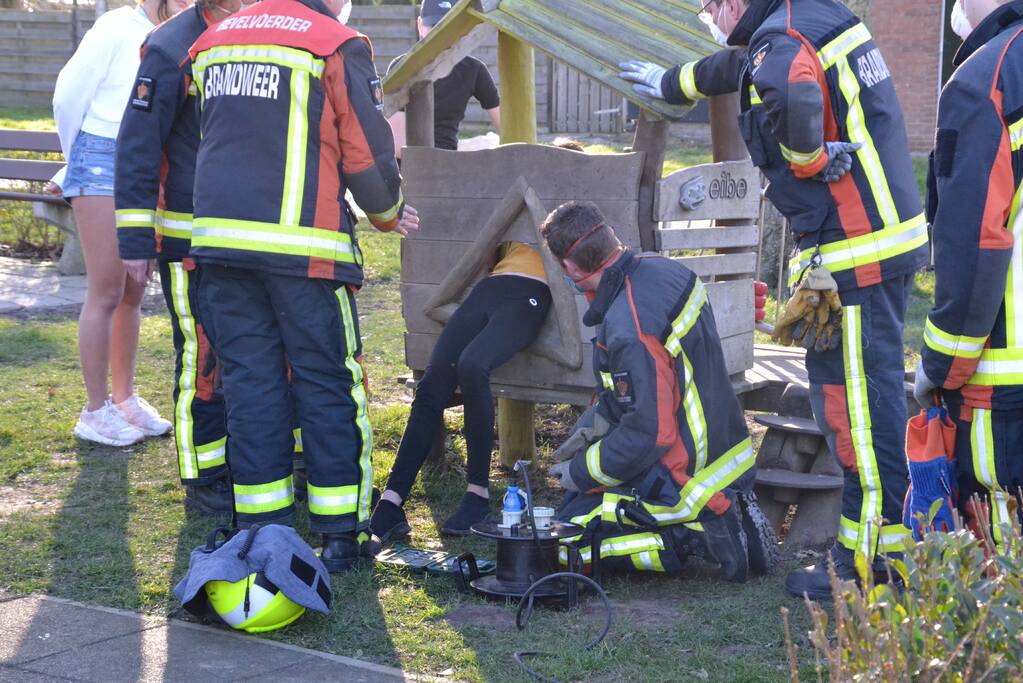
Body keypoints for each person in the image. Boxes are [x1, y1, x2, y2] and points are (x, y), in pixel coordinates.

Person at [620, 0, 928, 599]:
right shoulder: (807, 17)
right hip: (876, 241)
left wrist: (806, 159)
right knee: (855, 398)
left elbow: (787, 88)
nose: (710, 12)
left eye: (712, 2)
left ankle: (868, 565)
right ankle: (874, 545)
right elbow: (736, 65)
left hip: (855, 250)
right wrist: (671, 81)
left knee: (860, 411)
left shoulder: (780, 39)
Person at [188, 0, 418, 573]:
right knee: (327, 382)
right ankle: (342, 536)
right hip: (305, 252)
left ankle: (263, 528)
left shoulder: (213, 41)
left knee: (250, 384)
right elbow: (366, 151)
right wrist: (389, 212)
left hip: (220, 247)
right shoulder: (333, 42)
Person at [539, 201, 775, 582]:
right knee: (575, 503)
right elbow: (654, 386)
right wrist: (595, 424)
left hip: (684, 472)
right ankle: (727, 514)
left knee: (565, 541)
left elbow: (649, 434)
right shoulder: (664, 272)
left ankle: (688, 536)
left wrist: (582, 470)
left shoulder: (628, 326)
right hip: (723, 449)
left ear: (570, 268)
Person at [114, 0, 254, 515]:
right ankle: (205, 475)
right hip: (188, 241)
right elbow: (137, 145)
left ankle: (252, 461)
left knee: (255, 355)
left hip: (249, 234)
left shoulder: (254, 31)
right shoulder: (170, 47)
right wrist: (134, 241)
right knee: (202, 359)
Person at [53, 0, 189, 447]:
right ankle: (95, 411)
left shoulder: (181, 33)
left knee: (134, 290)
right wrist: (73, 162)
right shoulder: (116, 26)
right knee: (107, 289)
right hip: (99, 159)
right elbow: (67, 97)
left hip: (145, 163)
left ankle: (124, 398)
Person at [915, 0, 1023, 554]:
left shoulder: (989, 79)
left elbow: (974, 242)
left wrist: (938, 367)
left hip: (1004, 384)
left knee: (1005, 560)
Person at [386, 0, 501, 158]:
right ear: (420, 25)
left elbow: (507, 128)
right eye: (434, 27)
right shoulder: (401, 69)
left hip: (450, 165)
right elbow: (397, 146)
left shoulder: (474, 70)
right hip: (410, 168)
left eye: (447, 28)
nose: (439, 37)